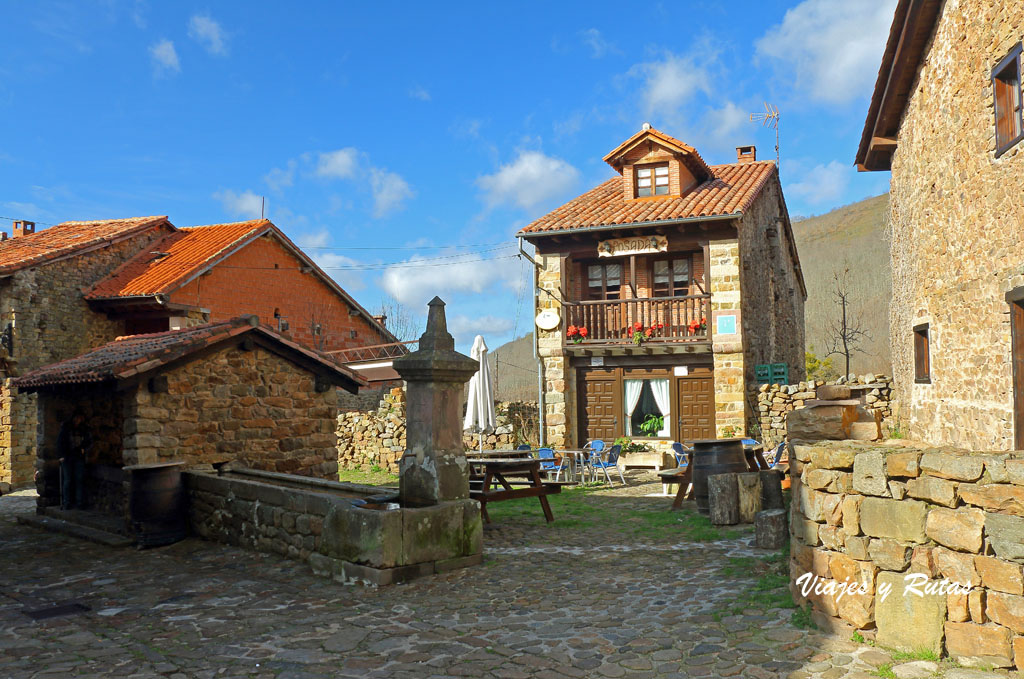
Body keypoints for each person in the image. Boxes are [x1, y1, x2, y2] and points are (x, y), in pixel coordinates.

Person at [57, 410, 91, 510]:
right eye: (76, 418)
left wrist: (84, 449)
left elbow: (89, 441)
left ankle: (79, 502)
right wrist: (61, 455)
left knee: (79, 479)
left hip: (78, 457)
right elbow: (60, 442)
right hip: (67, 457)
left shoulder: (84, 429)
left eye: (80, 418)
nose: (77, 420)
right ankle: (66, 502)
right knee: (68, 480)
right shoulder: (66, 428)